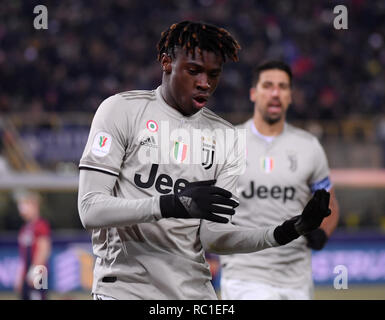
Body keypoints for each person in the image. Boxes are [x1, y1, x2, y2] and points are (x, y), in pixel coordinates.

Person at [77, 21, 331, 300]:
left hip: (195, 294)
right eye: (194, 71)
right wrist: (170, 203)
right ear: (166, 63)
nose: (204, 83)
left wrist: (284, 231)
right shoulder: (121, 111)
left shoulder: (226, 137)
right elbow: (90, 209)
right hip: (125, 290)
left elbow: (213, 236)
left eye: (214, 74)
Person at [220, 60, 340, 300]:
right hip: (244, 275)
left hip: (297, 279)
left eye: (283, 87)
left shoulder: (309, 146)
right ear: (253, 93)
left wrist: (322, 233)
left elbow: (331, 203)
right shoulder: (228, 143)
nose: (275, 93)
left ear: (290, 96)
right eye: (268, 85)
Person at [14, 190, 51, 300]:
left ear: (34, 205)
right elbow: (23, 257)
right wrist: (19, 276)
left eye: (25, 204)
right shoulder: (24, 229)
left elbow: (44, 250)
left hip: (38, 274)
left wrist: (34, 272)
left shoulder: (41, 225)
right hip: (27, 274)